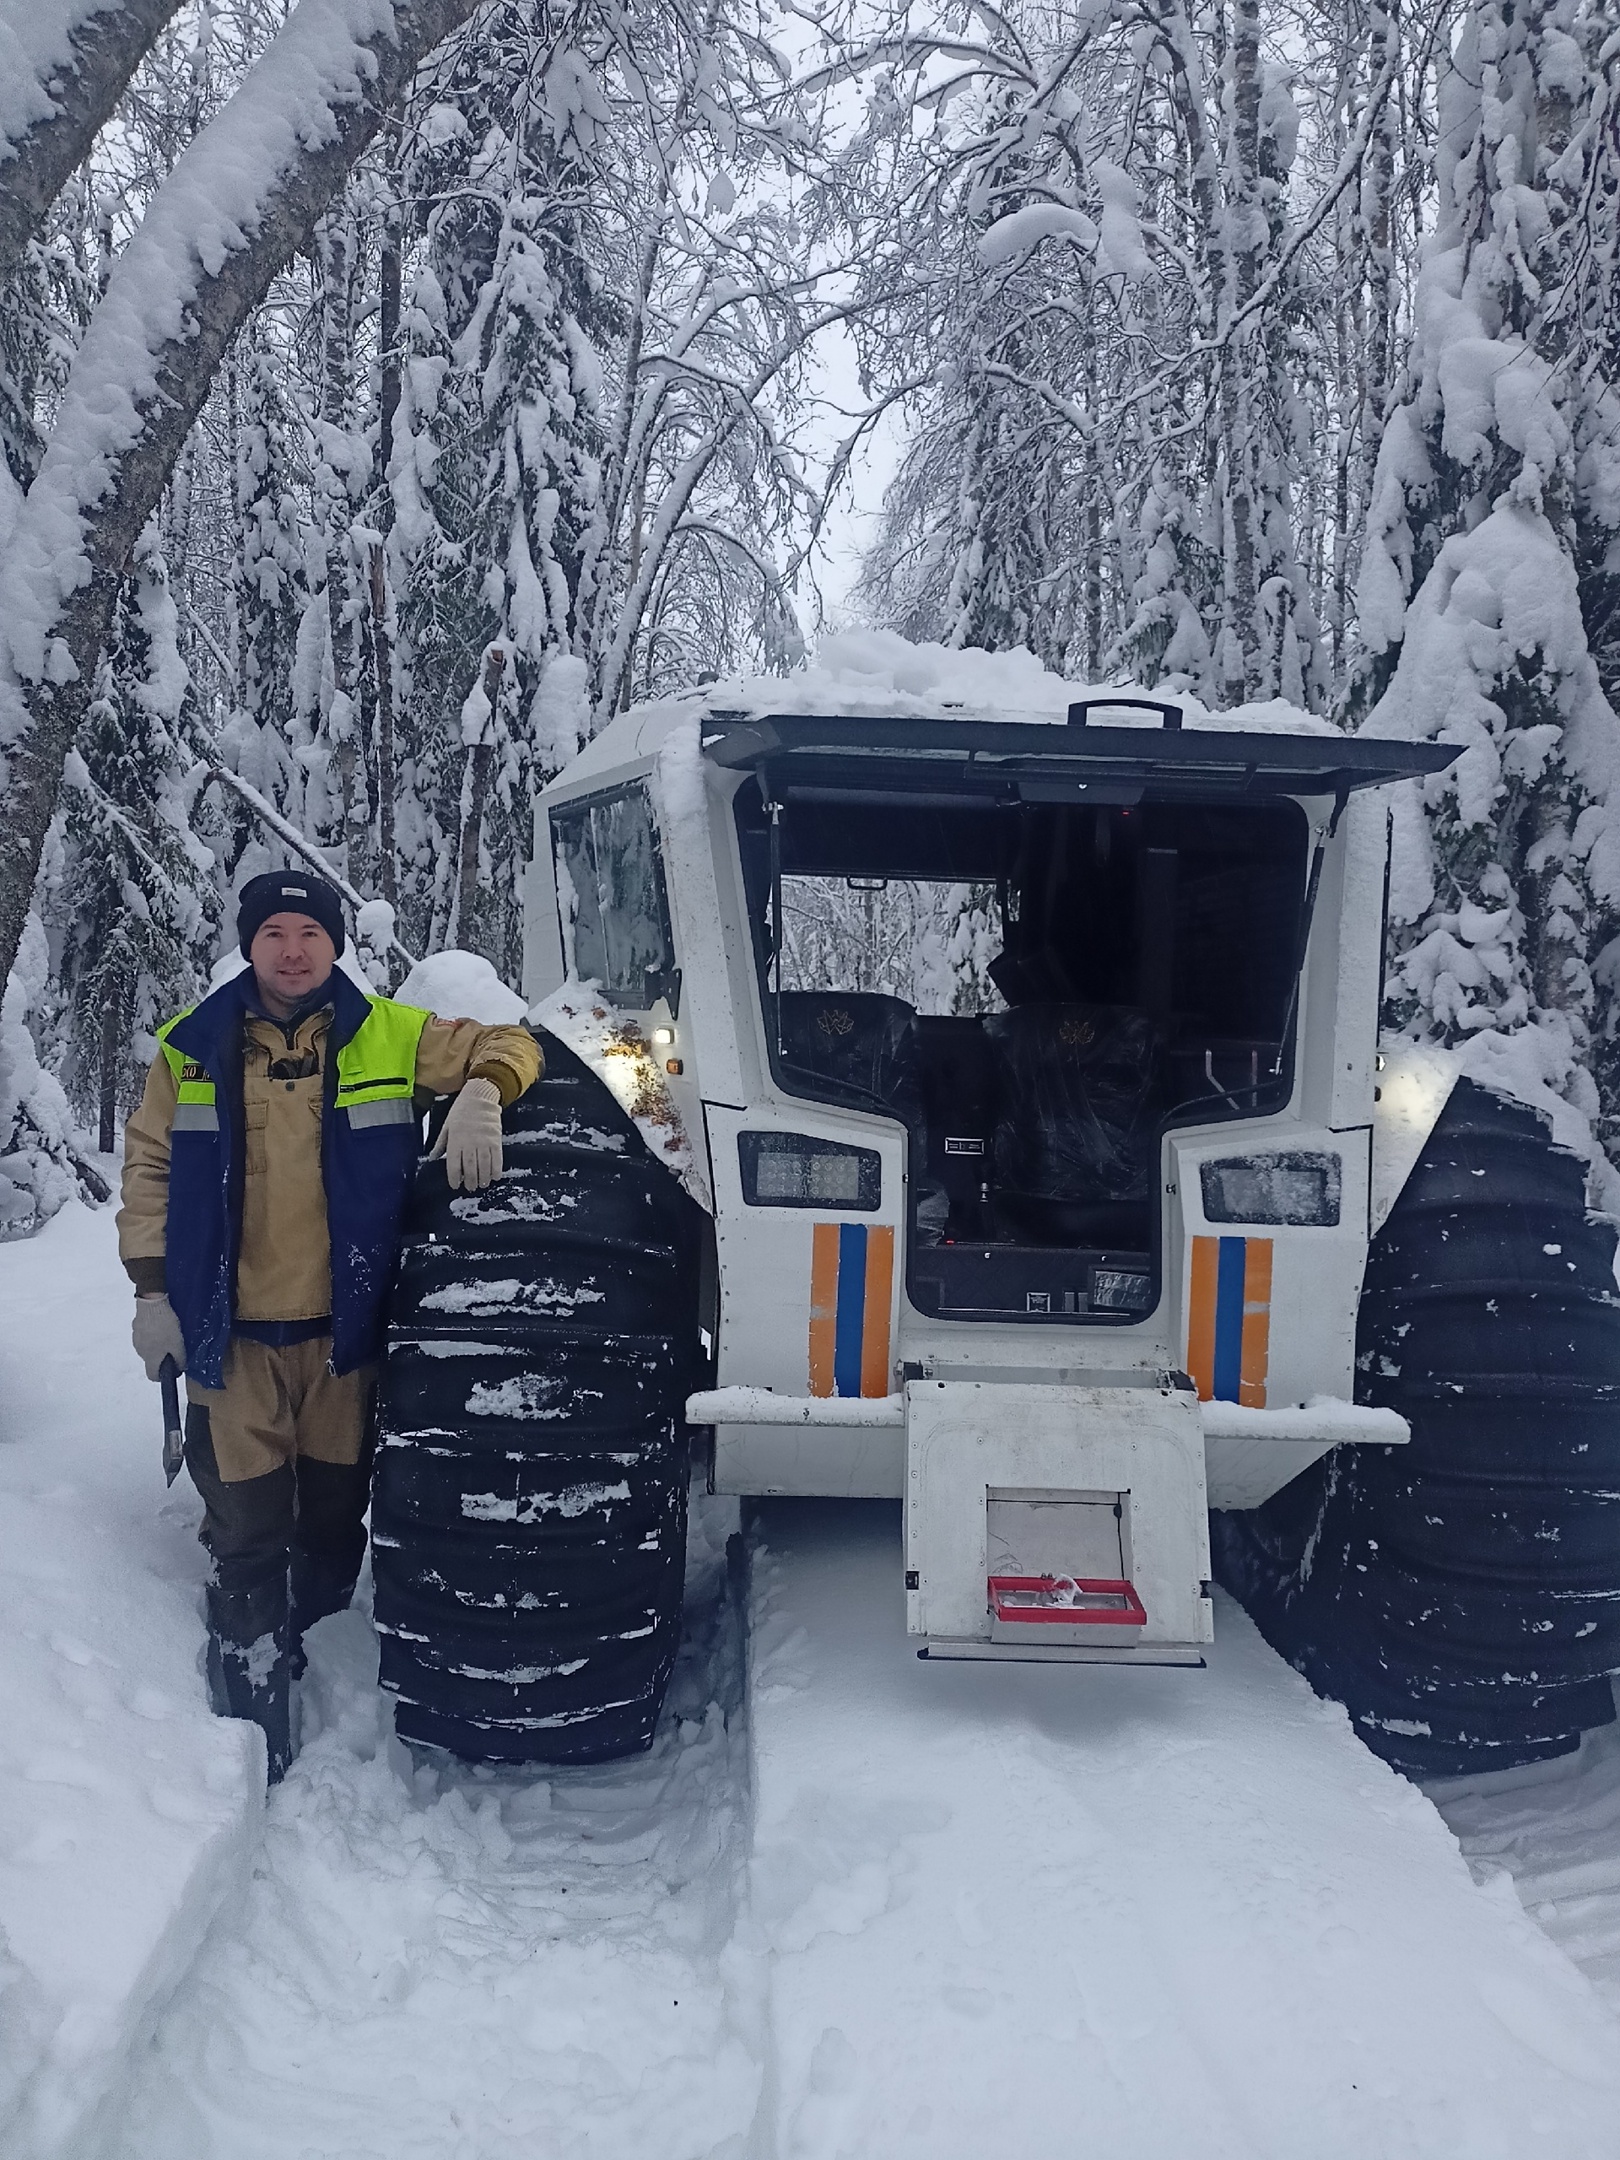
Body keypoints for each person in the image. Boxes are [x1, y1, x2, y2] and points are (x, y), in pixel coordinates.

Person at [117, 871, 541, 1780]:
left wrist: (483, 1091)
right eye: (274, 931)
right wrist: (151, 1291)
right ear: (250, 944)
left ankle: (318, 1651)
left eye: (310, 930)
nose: (294, 949)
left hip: (345, 1338)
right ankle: (251, 1691)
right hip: (229, 1340)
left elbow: (512, 1039)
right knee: (245, 1526)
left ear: (338, 943)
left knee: (334, 1517)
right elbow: (150, 1169)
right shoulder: (189, 1048)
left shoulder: (391, 1032)